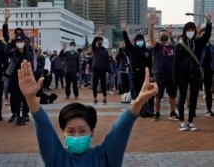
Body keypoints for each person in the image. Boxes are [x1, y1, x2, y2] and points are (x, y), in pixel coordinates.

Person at [18, 60, 158, 167]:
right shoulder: (57, 158)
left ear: (92, 131)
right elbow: (44, 127)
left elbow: (120, 130)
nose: (77, 136)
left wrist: (139, 101)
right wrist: (30, 98)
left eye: (83, 130)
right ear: (63, 132)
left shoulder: (105, 156)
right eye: (71, 131)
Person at [173, 10, 212, 131]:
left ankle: (190, 121)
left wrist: (209, 22)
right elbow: (175, 63)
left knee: (194, 98)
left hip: (195, 75)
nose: (190, 32)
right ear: (185, 31)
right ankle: (181, 122)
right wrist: (175, 79)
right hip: (182, 75)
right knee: (182, 97)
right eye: (188, 30)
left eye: (192, 30)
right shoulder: (180, 45)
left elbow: (207, 35)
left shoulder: (198, 43)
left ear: (195, 31)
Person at [149, 13, 179, 121]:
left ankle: (172, 112)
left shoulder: (172, 47)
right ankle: (157, 112)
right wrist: (151, 26)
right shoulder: (157, 46)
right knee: (158, 95)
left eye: (165, 33)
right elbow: (151, 37)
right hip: (159, 73)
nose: (164, 35)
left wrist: (171, 35)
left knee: (173, 95)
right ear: (159, 37)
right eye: (162, 34)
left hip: (171, 73)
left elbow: (177, 47)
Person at [4, 35, 34, 125]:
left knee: (25, 97)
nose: (19, 43)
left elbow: (31, 65)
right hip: (15, 77)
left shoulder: (28, 53)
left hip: (25, 77)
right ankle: (16, 114)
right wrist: (9, 42)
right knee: (15, 97)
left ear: (24, 43)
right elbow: (6, 52)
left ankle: (25, 114)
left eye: (21, 41)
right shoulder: (13, 52)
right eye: (17, 42)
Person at [91, 27, 110, 105]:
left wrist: (107, 71)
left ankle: (104, 99)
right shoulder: (95, 49)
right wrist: (97, 35)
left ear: (102, 42)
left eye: (100, 41)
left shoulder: (105, 51)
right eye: (98, 41)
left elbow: (107, 62)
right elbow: (92, 44)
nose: (99, 42)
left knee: (103, 84)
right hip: (95, 69)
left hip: (103, 69)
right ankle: (95, 99)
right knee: (94, 84)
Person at [199, 28, 214, 117]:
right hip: (199, 71)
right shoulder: (197, 47)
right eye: (202, 35)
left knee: (208, 92)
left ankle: (209, 110)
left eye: (206, 34)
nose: (204, 36)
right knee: (195, 91)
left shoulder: (212, 47)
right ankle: (192, 110)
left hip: (209, 72)